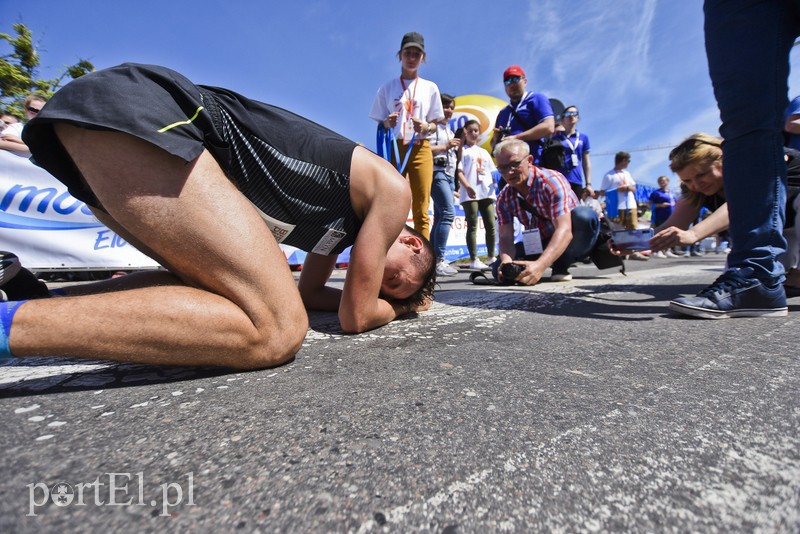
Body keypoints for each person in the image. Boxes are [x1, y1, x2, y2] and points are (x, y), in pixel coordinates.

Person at [0, 63, 436, 369]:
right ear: (412, 241)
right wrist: (403, 309)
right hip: (150, 114)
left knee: (215, 290)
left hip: (90, 134)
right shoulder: (392, 193)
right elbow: (356, 316)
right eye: (394, 280)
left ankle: (36, 301)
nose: (380, 283)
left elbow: (311, 293)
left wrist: (377, 297)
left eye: (386, 291)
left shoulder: (339, 234)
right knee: (277, 329)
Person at [673, 0, 795, 319]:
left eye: (700, 175)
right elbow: (675, 224)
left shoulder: (777, 159)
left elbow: (732, 208)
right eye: (687, 181)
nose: (696, 185)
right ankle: (758, 274)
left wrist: (694, 234)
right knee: (747, 118)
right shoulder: (702, 186)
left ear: (721, 159)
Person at [369, 32, 445, 240]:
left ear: (423, 58)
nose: (412, 58)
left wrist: (426, 127)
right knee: (393, 202)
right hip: (395, 149)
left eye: (416, 54)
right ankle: (393, 252)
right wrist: (388, 122)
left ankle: (424, 262)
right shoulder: (387, 87)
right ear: (400, 55)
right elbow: (380, 120)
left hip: (420, 148)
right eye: (407, 53)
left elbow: (436, 124)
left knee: (422, 205)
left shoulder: (430, 88)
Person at [494, 138, 599, 284]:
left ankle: (562, 263)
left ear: (529, 160)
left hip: (570, 236)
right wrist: (506, 261)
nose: (509, 172)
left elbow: (565, 229)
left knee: (584, 216)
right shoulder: (504, 197)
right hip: (539, 241)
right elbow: (505, 237)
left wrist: (540, 266)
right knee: (500, 271)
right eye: (503, 168)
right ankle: (537, 264)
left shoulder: (551, 181)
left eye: (514, 164)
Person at [490, 66, 555, 165]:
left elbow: (548, 127)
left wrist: (516, 138)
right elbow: (494, 148)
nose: (511, 84)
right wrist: (495, 140)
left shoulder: (536, 99)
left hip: (534, 164)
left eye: (515, 79)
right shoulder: (503, 113)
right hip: (510, 169)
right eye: (507, 81)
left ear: (525, 81)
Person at [457, 120, 497, 270]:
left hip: (486, 191)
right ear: (465, 132)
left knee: (491, 225)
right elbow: (459, 172)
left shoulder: (484, 152)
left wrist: (495, 185)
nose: (474, 134)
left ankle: (491, 256)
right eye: (471, 131)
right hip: (470, 193)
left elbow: (492, 172)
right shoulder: (463, 151)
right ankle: (474, 258)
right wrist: (467, 186)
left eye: (476, 131)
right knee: (472, 225)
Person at [429, 93, 461, 276]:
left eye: (451, 107)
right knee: (448, 213)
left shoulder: (449, 130)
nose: (448, 110)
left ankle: (432, 259)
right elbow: (423, 149)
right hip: (436, 173)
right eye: (445, 106)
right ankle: (439, 259)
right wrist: (445, 147)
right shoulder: (431, 127)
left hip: (448, 175)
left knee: (441, 215)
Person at [600, 151, 648, 261]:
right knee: (618, 229)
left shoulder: (627, 173)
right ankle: (621, 251)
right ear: (623, 160)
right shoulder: (609, 175)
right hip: (617, 206)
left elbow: (634, 188)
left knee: (633, 227)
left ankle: (633, 251)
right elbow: (603, 192)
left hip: (630, 204)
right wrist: (617, 190)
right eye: (628, 161)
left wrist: (628, 188)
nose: (628, 163)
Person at [552, 105, 593, 198]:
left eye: (574, 113)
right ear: (562, 119)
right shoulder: (556, 138)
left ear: (578, 117)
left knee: (575, 210)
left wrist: (588, 184)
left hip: (576, 180)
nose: (571, 116)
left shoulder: (583, 138)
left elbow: (586, 162)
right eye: (568, 113)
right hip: (559, 180)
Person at [648, 175, 679, 258]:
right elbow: (649, 205)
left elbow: (677, 204)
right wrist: (660, 205)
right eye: (660, 181)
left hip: (671, 216)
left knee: (669, 233)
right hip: (660, 216)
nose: (662, 182)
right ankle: (658, 251)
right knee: (660, 233)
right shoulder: (656, 193)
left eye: (664, 181)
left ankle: (668, 250)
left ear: (667, 182)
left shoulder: (672, 193)